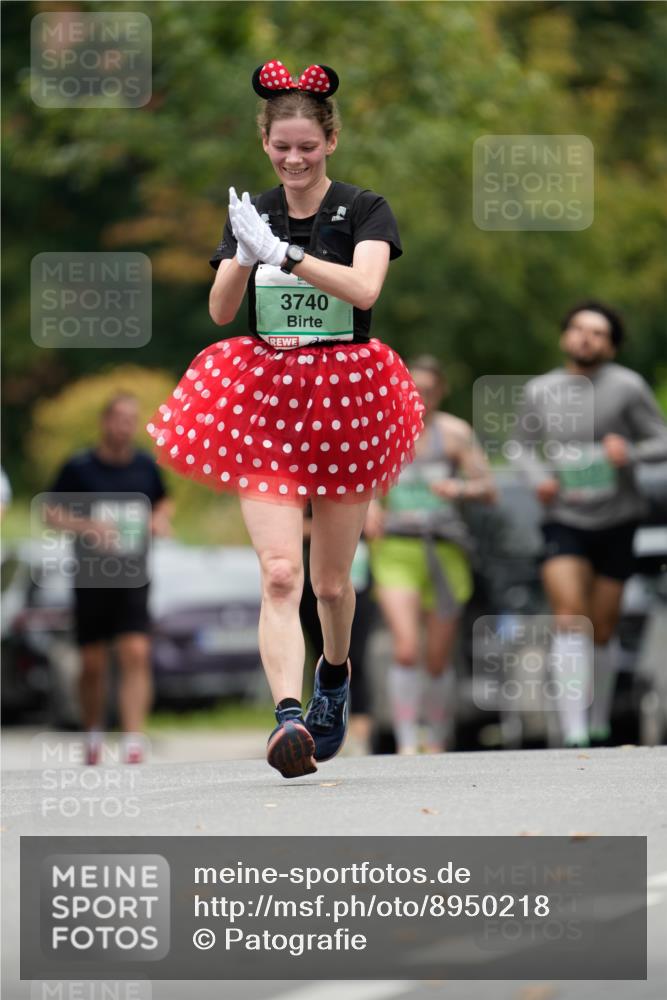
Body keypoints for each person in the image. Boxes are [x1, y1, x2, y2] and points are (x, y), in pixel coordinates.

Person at [146, 59, 425, 778]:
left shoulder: (365, 209)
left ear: (329, 140)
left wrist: (289, 255)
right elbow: (218, 312)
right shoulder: (254, 210)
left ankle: (334, 675)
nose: (293, 159)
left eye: (306, 146)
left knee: (330, 583)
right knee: (278, 573)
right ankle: (287, 719)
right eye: (281, 148)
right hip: (264, 401)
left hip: (346, 398)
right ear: (264, 143)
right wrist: (243, 254)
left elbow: (364, 286)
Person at [515, 301, 667, 747]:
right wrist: (539, 478)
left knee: (602, 626)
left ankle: (596, 719)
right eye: (579, 329)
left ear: (611, 346)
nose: (587, 338)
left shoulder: (628, 387)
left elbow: (661, 440)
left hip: (618, 517)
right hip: (563, 517)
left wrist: (630, 453)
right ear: (566, 336)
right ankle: (574, 730)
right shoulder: (541, 391)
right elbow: (521, 447)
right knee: (569, 616)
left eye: (598, 333)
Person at [364, 355, 496, 754]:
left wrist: (459, 490)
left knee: (437, 657)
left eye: (428, 389)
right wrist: (370, 507)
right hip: (396, 550)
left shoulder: (454, 434)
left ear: (441, 392)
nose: (420, 397)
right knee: (405, 648)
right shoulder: (381, 432)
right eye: (413, 388)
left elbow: (488, 489)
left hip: (444, 550)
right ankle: (407, 740)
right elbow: (361, 481)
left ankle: (437, 736)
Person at [45, 393, 172, 764]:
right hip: (91, 576)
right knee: (93, 661)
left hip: (134, 574)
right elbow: (51, 511)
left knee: (136, 651)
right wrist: (86, 526)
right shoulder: (79, 467)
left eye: (132, 419)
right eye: (118, 418)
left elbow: (164, 501)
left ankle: (133, 739)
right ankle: (93, 732)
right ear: (105, 422)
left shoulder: (146, 466)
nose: (125, 426)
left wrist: (157, 519)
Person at [299, 500, 375, 753]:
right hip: (311, 579)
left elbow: (373, 527)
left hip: (358, 575)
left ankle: (360, 742)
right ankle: (322, 719)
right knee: (320, 657)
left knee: (357, 657)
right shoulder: (297, 476)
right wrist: (328, 527)